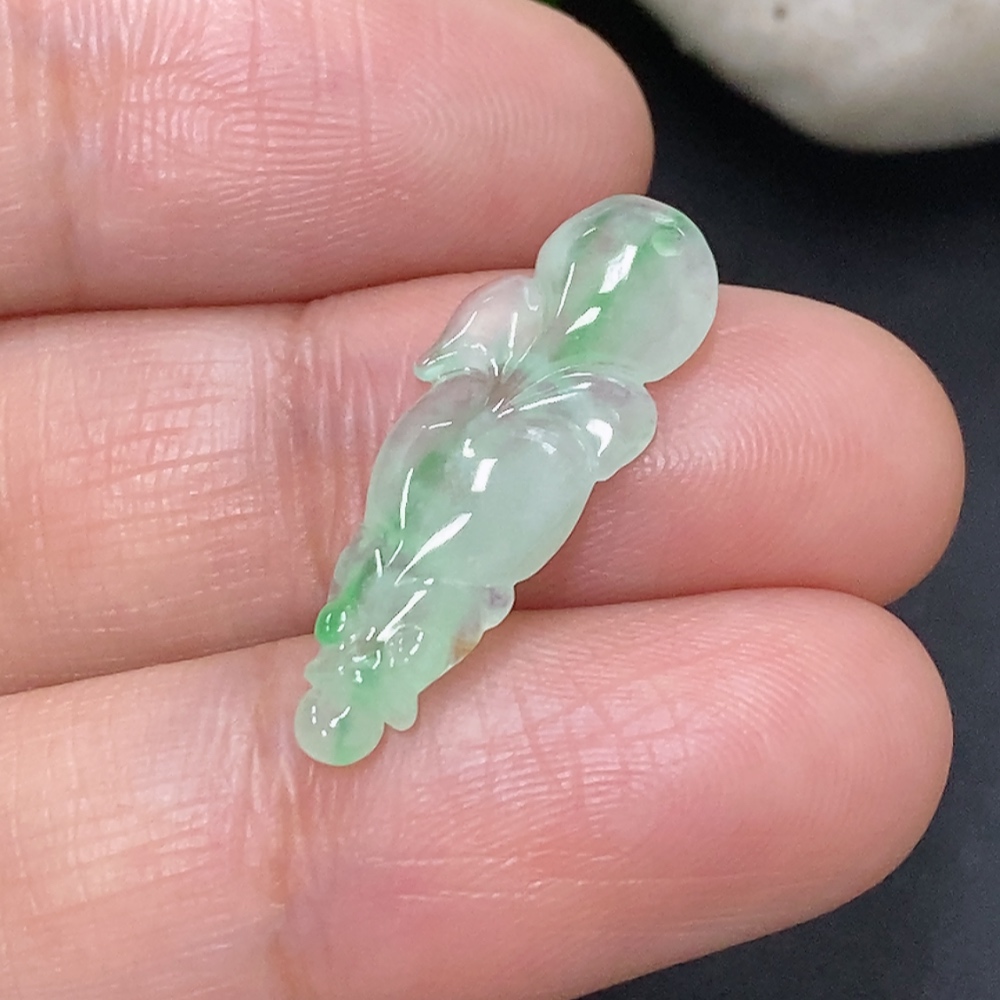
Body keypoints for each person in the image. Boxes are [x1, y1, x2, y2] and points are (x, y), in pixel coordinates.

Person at [0, 1, 963, 997]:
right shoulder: (513, 323)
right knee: (387, 561)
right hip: (435, 482)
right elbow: (454, 367)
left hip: (488, 522)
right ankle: (358, 658)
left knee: (433, 588)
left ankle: (377, 675)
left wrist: (528, 408)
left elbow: (587, 442)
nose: (594, 305)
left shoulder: (605, 400)